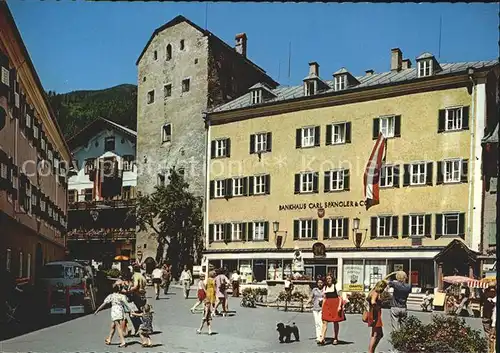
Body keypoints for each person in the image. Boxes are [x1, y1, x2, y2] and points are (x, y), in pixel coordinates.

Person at [319, 274, 345, 346]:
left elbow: (340, 297)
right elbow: (324, 298)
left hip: (335, 305)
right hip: (327, 306)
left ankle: (335, 338)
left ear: (332, 279)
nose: (328, 280)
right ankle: (322, 338)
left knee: (335, 322)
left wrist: (340, 306)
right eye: (327, 279)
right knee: (324, 321)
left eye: (329, 278)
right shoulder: (325, 287)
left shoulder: (336, 286)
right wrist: (322, 308)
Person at [367, 280, 388, 353]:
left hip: (373, 314)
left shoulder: (372, 292)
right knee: (375, 334)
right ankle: (370, 351)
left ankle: (372, 350)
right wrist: (377, 307)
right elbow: (373, 302)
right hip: (375, 315)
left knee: (379, 334)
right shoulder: (376, 293)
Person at [306, 277, 324, 344]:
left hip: (322, 308)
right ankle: (317, 336)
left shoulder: (324, 290)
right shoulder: (314, 290)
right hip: (315, 308)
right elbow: (311, 298)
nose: (320, 284)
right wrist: (306, 303)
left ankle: (321, 336)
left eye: (321, 283)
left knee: (321, 322)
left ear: (323, 283)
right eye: (319, 283)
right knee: (317, 323)